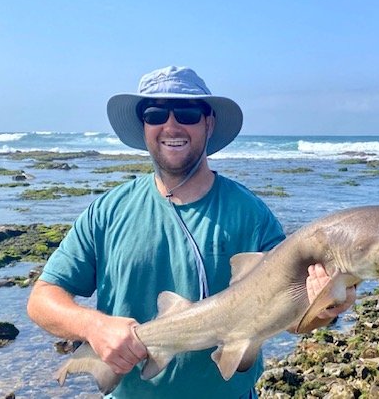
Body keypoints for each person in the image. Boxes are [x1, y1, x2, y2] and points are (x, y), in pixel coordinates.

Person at [27, 65, 355, 398]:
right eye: (155, 114)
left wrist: (322, 309)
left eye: (186, 112)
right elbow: (41, 299)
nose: (171, 125)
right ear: (144, 126)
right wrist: (94, 327)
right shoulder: (107, 212)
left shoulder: (251, 214)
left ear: (208, 122)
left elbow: (289, 320)